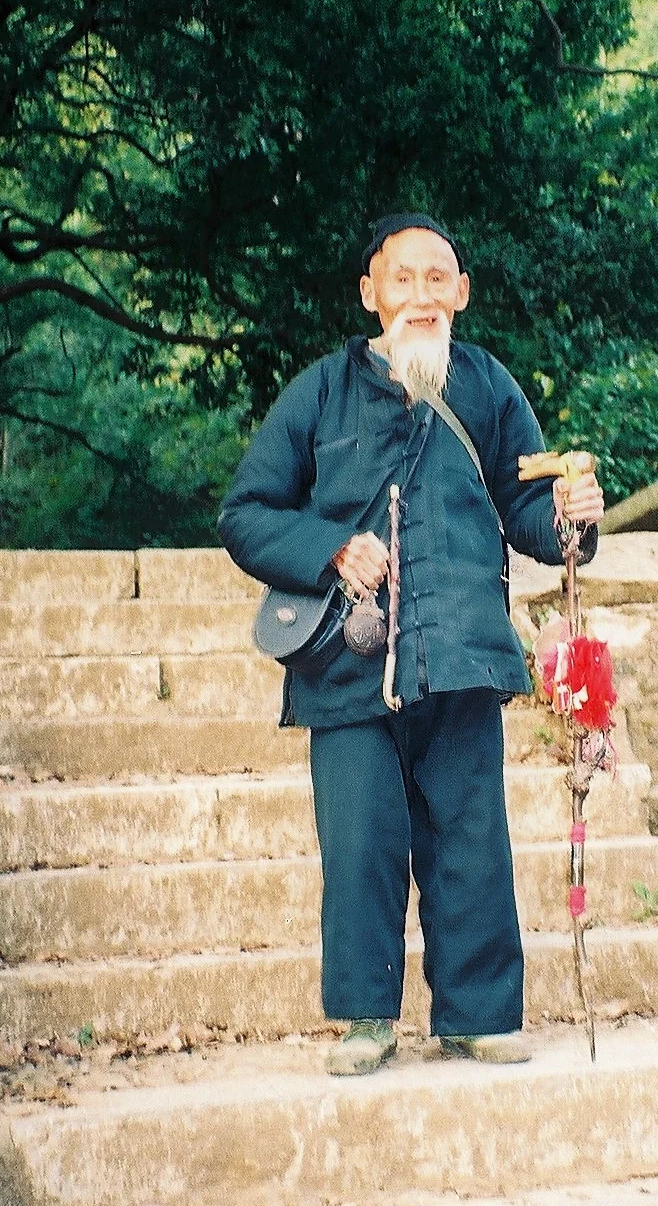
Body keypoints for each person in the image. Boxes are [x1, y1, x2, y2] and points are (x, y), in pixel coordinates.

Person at [217, 215, 605, 1075]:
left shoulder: (490, 385)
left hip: (462, 648)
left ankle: (478, 1014)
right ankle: (366, 1018)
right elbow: (246, 514)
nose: (423, 296)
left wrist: (571, 523)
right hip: (348, 659)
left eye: (440, 279)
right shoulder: (321, 391)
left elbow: (530, 510)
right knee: (359, 840)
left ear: (461, 293)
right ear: (372, 293)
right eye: (404, 279)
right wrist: (328, 547)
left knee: (470, 836)